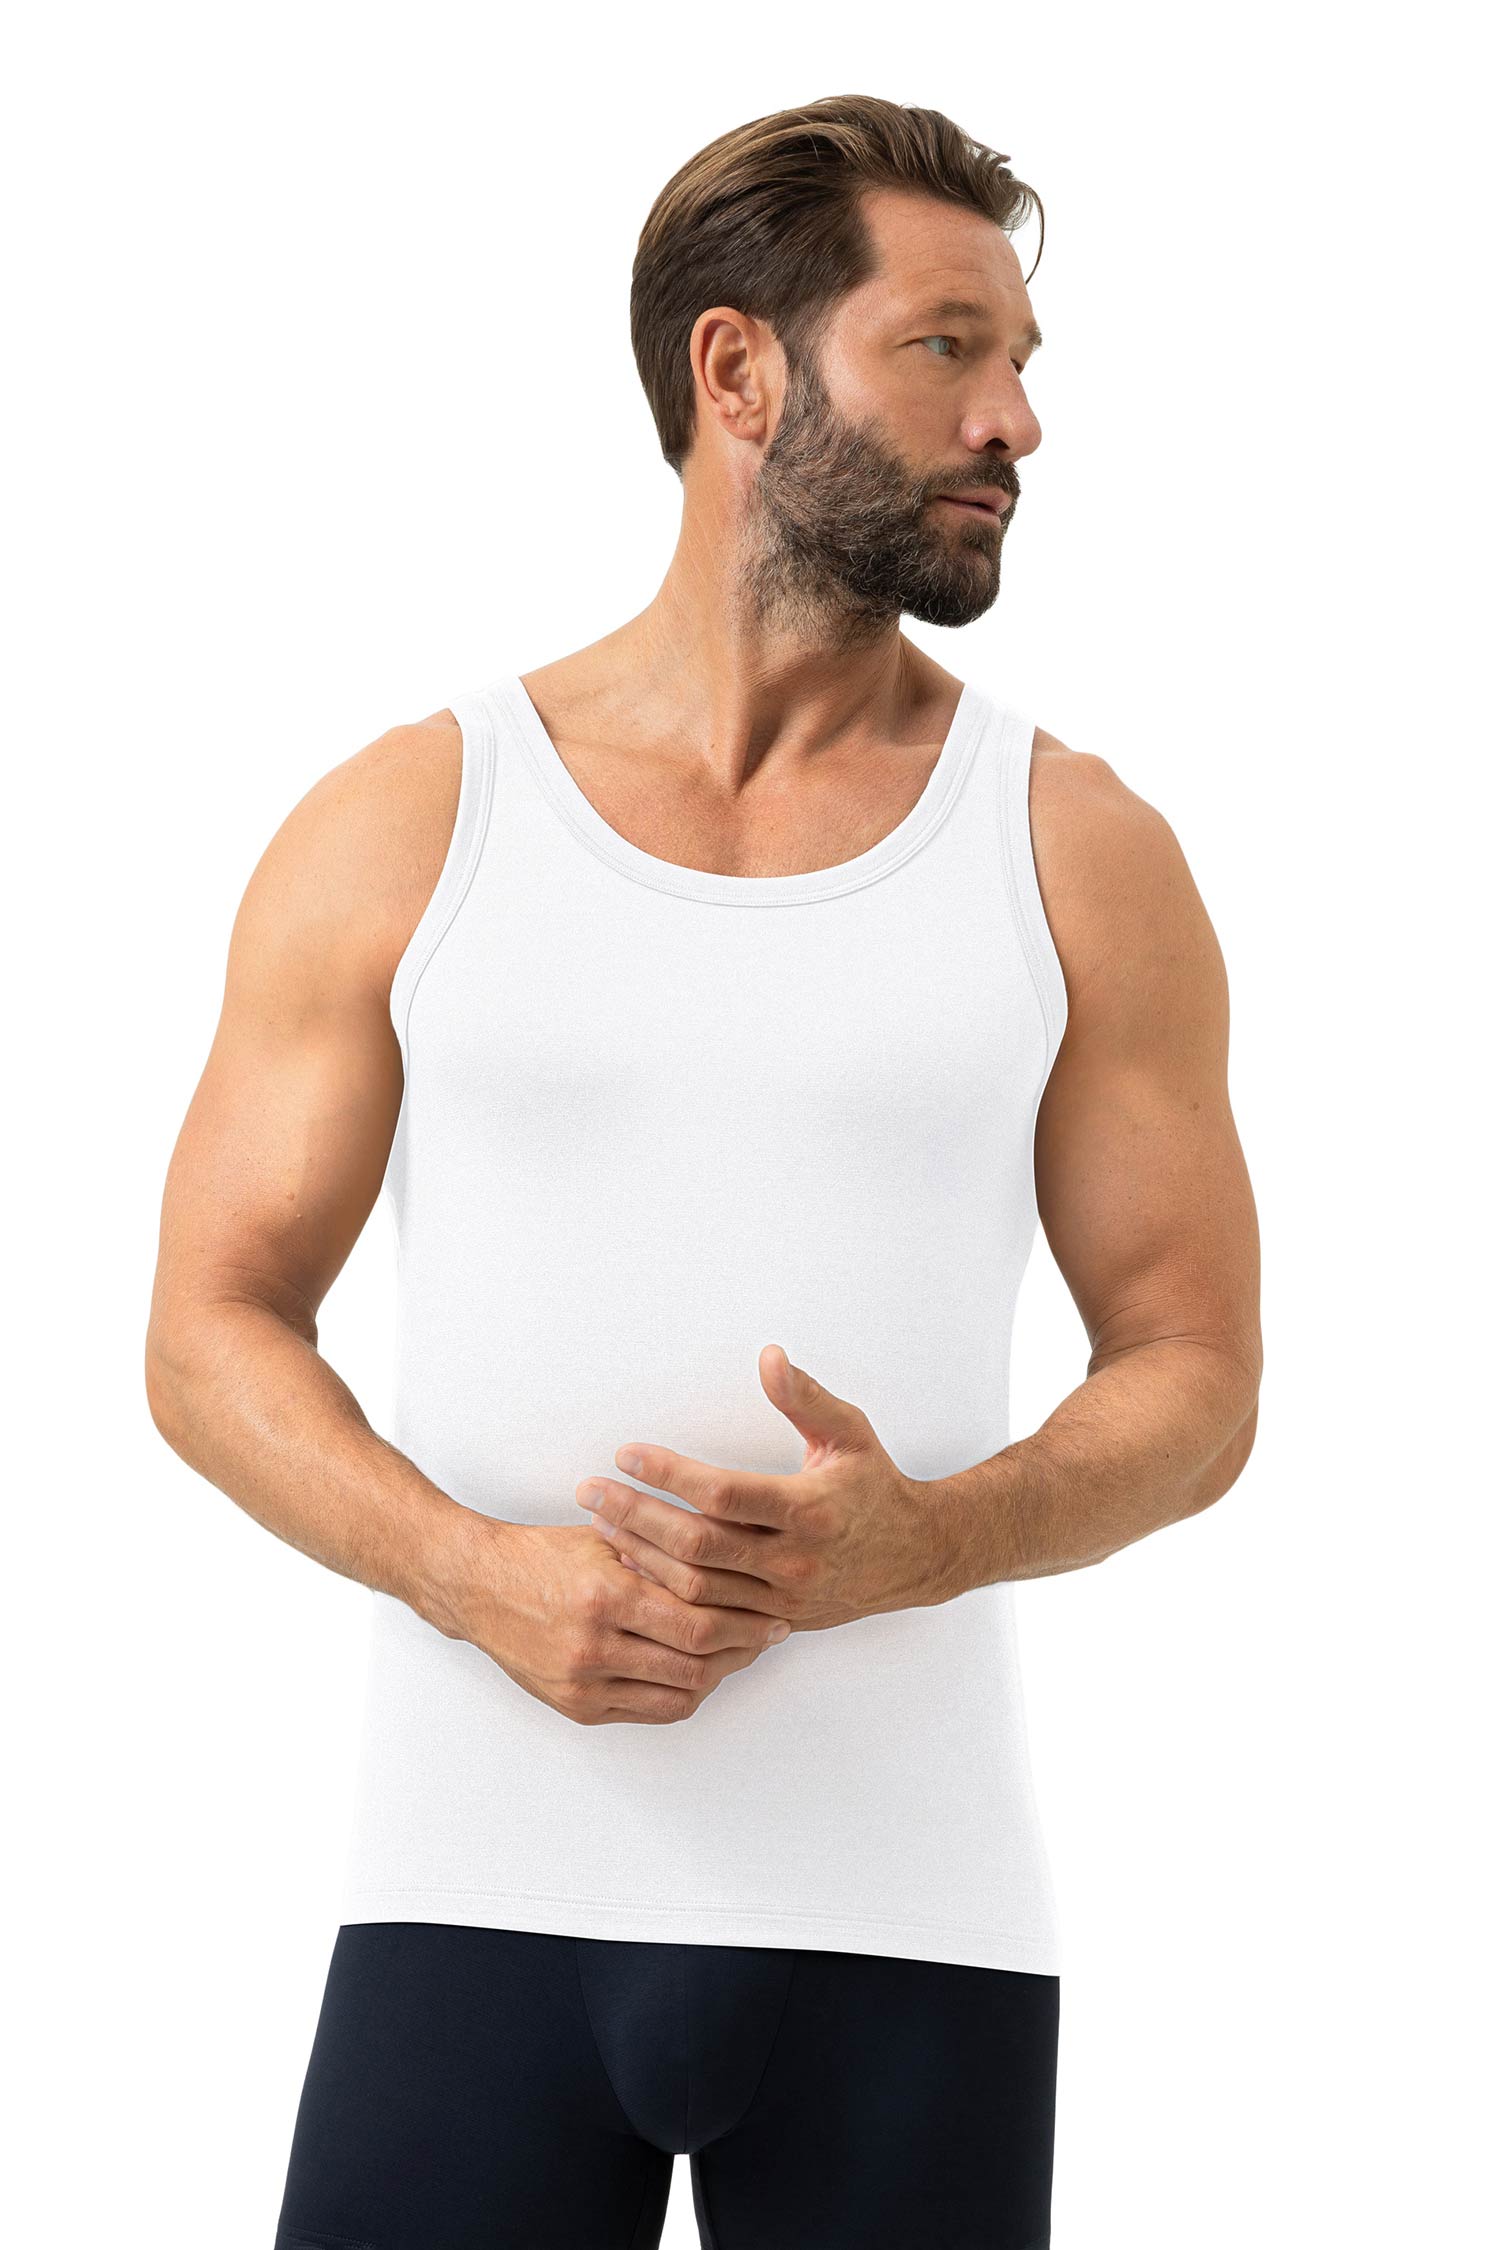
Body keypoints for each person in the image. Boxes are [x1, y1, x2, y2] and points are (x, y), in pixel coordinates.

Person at [146, 93, 1261, 2250]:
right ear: (737, 371)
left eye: (1023, 360)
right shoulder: (413, 821)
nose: (1016, 419)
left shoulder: (1077, 850)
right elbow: (207, 1329)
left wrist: (937, 1539)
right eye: (947, 347)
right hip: (465, 1899)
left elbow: (1198, 1369)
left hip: (915, 1922)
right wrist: (468, 1570)